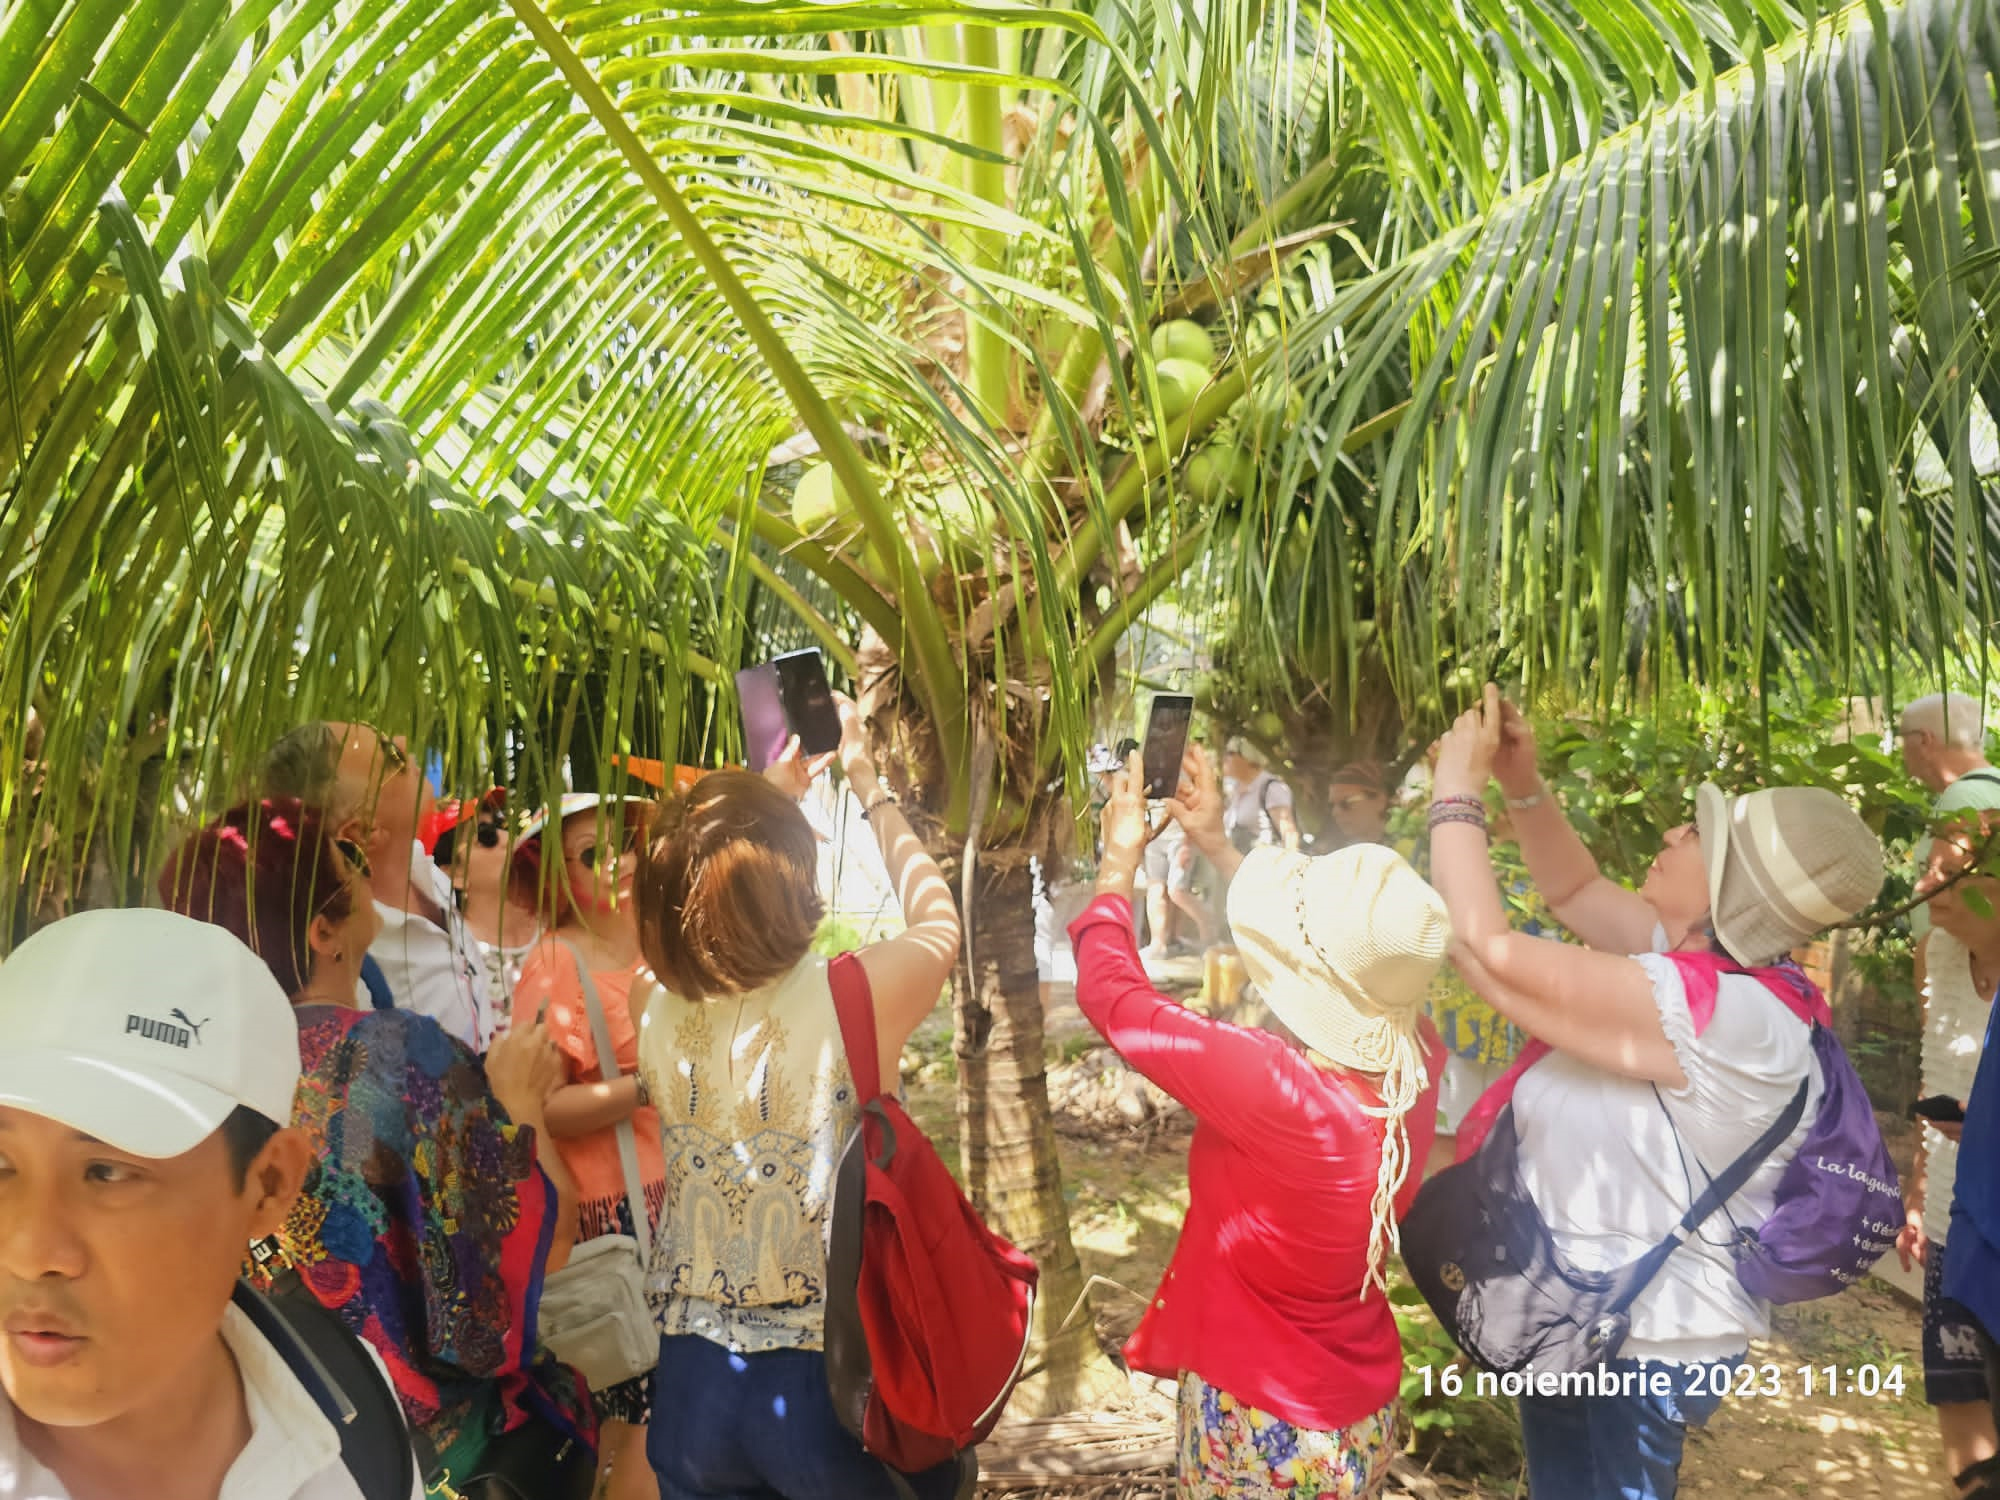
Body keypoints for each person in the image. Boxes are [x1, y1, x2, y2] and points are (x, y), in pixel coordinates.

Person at [1428, 685, 1885, 1500]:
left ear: (1728, 893)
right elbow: (1571, 891)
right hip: (1580, 1306)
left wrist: (1455, 791)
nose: (1675, 830)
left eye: (1698, 834)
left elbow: (1485, 948)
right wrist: (1522, 782)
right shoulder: (1704, 973)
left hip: (1645, 1343)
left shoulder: (1725, 1015)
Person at [158, 798, 593, 1492]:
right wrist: (519, 1105)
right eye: (349, 862)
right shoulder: (393, 1055)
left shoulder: (191, 1088)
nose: (366, 870)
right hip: (443, 1455)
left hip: (291, 1446)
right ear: (324, 931)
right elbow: (543, 1244)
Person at [1072, 749, 1446, 1498]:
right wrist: (1215, 840)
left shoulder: (1280, 1092)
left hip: (1261, 1428)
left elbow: (1113, 996)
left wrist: (1116, 864)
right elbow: (1331, 955)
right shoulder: (1417, 1057)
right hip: (1352, 1414)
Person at [633, 699, 963, 1499]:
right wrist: (866, 784)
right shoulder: (856, 995)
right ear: (795, 878)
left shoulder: (655, 1010)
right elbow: (939, 917)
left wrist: (759, 797)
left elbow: (693, 895)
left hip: (690, 1380)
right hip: (824, 1384)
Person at [0, 907, 424, 1500]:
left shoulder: (346, 1409)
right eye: (1, 1166)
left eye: (107, 1171)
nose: (28, 1251)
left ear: (270, 1185)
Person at [509, 793, 663, 1500]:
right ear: (556, 877)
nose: (619, 861)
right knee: (632, 1423)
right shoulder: (553, 962)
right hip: (616, 1220)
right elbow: (534, 1103)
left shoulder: (664, 938)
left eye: (623, 842)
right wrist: (645, 1089)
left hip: (692, 1202)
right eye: (592, 854)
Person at [263, 722, 494, 1049]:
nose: (404, 737)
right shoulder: (352, 970)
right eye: (392, 757)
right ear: (364, 832)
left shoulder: (430, 875)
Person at [1903, 819, 2000, 1494]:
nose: (1925, 886)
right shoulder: (1935, 952)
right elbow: (1931, 1068)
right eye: (1926, 868)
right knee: (1959, 1404)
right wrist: (1919, 1184)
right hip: (1951, 1222)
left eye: (1950, 871)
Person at [434, 790, 542, 1025]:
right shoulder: (452, 957)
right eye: (486, 836)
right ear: (454, 874)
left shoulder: (559, 921)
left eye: (501, 824)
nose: (506, 836)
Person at [1902, 693, 2000, 944]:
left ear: (1924, 740)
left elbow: (1942, 919)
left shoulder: (1960, 801)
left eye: (1904, 738)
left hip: (1960, 972)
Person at [1221, 741, 1300, 853]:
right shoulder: (1235, 789)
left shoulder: (1272, 788)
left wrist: (1288, 867)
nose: (1224, 758)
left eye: (1230, 753)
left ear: (1247, 756)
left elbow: (1289, 835)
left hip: (1263, 865)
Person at [1326, 761, 1393, 849]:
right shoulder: (1330, 855)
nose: (1335, 812)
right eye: (1331, 806)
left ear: (1380, 801)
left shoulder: (1408, 852)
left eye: (1346, 803)